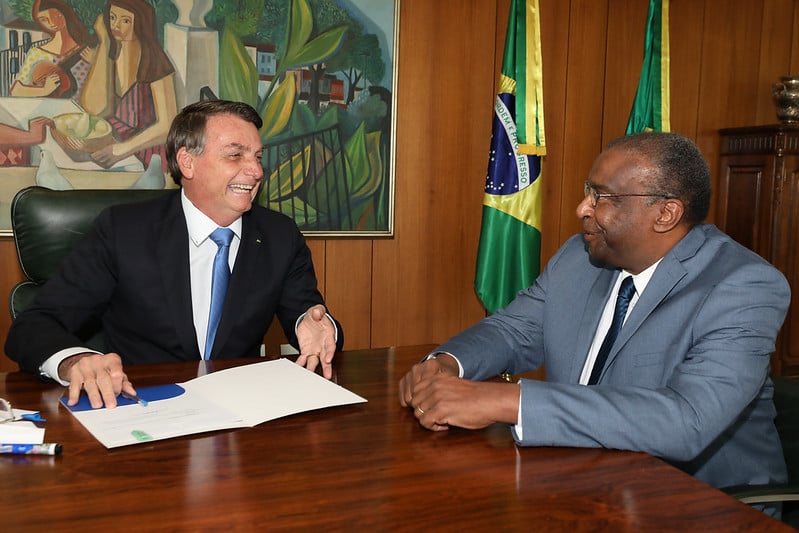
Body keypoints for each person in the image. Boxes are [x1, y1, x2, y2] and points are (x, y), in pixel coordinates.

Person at [399, 132, 791, 495]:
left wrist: (507, 402)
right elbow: (512, 331)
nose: (582, 208)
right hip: (581, 478)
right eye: (589, 191)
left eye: (603, 196)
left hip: (699, 503)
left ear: (665, 214)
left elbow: (686, 422)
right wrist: (446, 365)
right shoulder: (578, 257)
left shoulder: (744, 286)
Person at [6, 99, 342, 410]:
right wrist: (75, 361)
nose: (255, 171)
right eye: (235, 155)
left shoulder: (279, 236)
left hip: (239, 419)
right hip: (142, 411)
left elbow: (309, 317)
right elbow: (33, 326)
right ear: (187, 162)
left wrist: (317, 326)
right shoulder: (124, 232)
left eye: (257, 157)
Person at [79, 0, 176, 171]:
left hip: (147, 153)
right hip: (112, 143)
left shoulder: (155, 62)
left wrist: (120, 150)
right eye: (112, 17)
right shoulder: (111, 54)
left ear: (141, 24)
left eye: (125, 21)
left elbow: (167, 126)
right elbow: (94, 108)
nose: (115, 25)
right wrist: (104, 42)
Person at [9, 0, 94, 99]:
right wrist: (44, 90)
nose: (51, 22)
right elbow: (16, 90)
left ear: (65, 14)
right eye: (43, 19)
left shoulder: (87, 49)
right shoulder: (37, 52)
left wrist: (94, 63)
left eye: (55, 15)